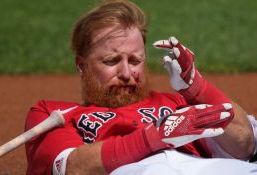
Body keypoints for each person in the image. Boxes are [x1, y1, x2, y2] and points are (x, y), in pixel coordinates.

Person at [24, 0, 257, 175]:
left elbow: (245, 146)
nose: (127, 74)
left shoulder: (177, 104)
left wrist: (197, 88)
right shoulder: (54, 114)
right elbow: (71, 167)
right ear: (81, 65)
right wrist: (155, 136)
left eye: (135, 61)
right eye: (112, 61)